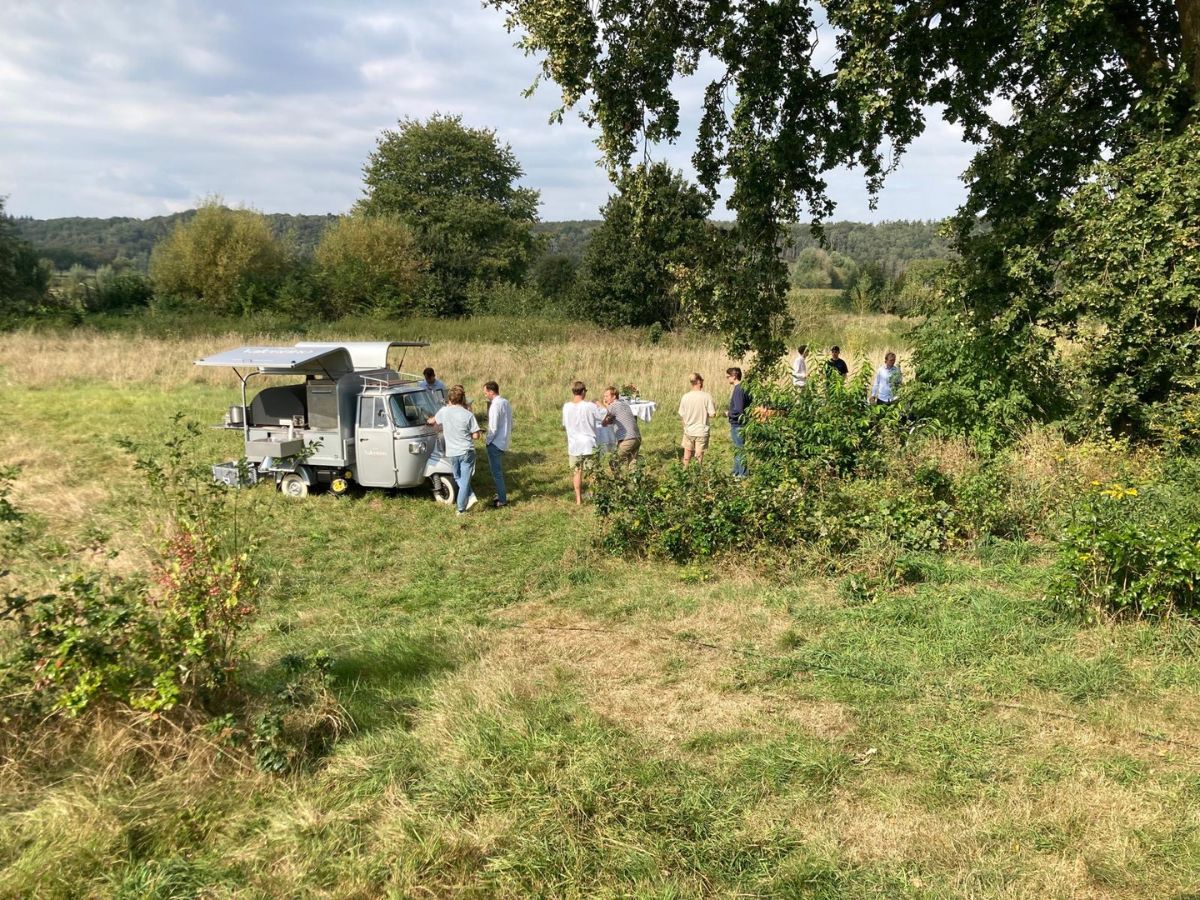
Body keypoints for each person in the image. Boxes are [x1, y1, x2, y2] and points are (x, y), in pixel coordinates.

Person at [428, 385, 480, 515]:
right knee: (464, 479)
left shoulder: (444, 411)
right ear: (462, 399)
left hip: (452, 452)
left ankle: (463, 506)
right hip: (467, 451)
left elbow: (433, 421)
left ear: (449, 399)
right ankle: (466, 502)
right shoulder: (468, 415)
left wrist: (428, 420)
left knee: (458, 477)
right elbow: (476, 435)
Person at [562, 380, 605, 504]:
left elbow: (565, 424)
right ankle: (593, 494)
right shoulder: (589, 406)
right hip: (588, 443)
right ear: (583, 392)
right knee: (592, 472)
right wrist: (599, 404)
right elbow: (603, 415)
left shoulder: (566, 407)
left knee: (577, 472)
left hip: (574, 444)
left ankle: (578, 499)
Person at [482, 380, 512, 507]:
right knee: (498, 471)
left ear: (491, 391)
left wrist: (487, 441)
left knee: (497, 473)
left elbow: (493, 428)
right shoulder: (505, 402)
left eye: (485, 392)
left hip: (495, 443)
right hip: (504, 440)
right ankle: (500, 494)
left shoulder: (494, 406)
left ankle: (502, 500)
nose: (485, 395)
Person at [678, 372, 716, 466]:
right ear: (699, 382)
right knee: (699, 456)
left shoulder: (685, 397)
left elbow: (682, 415)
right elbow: (712, 414)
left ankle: (685, 473)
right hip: (701, 431)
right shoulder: (706, 396)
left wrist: (685, 427)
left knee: (687, 455)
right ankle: (698, 475)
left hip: (689, 430)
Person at [601, 386, 641, 464]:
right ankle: (634, 476)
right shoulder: (624, 404)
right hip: (637, 437)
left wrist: (605, 406)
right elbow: (612, 420)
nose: (604, 399)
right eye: (604, 396)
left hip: (628, 439)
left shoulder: (613, 405)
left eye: (607, 396)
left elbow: (604, 423)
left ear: (614, 396)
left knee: (613, 462)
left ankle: (618, 477)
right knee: (632, 465)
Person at [726, 367, 750, 478]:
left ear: (734, 376)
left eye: (728, 377)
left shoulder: (738, 389)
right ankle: (736, 471)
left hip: (738, 424)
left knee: (739, 449)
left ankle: (742, 474)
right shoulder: (743, 388)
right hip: (739, 423)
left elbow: (739, 409)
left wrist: (729, 413)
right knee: (737, 448)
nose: (727, 379)